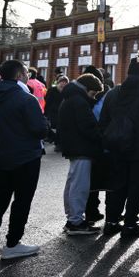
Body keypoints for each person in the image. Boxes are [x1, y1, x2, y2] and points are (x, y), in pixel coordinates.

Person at [0, 60, 48, 261]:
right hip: (25, 157)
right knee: (22, 201)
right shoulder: (26, 99)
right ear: (19, 75)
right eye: (26, 72)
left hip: (1, 157)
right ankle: (12, 243)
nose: (28, 76)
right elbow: (39, 129)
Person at [99, 57, 139, 238]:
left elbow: (104, 120)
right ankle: (130, 224)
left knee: (117, 186)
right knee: (137, 188)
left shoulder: (114, 92)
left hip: (116, 147)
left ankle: (111, 222)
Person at [58, 73, 104, 236]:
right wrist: (101, 137)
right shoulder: (79, 102)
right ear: (86, 89)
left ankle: (72, 218)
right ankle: (76, 222)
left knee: (72, 183)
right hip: (82, 148)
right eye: (92, 94)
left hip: (73, 147)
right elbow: (88, 128)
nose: (93, 98)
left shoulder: (70, 98)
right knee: (80, 186)